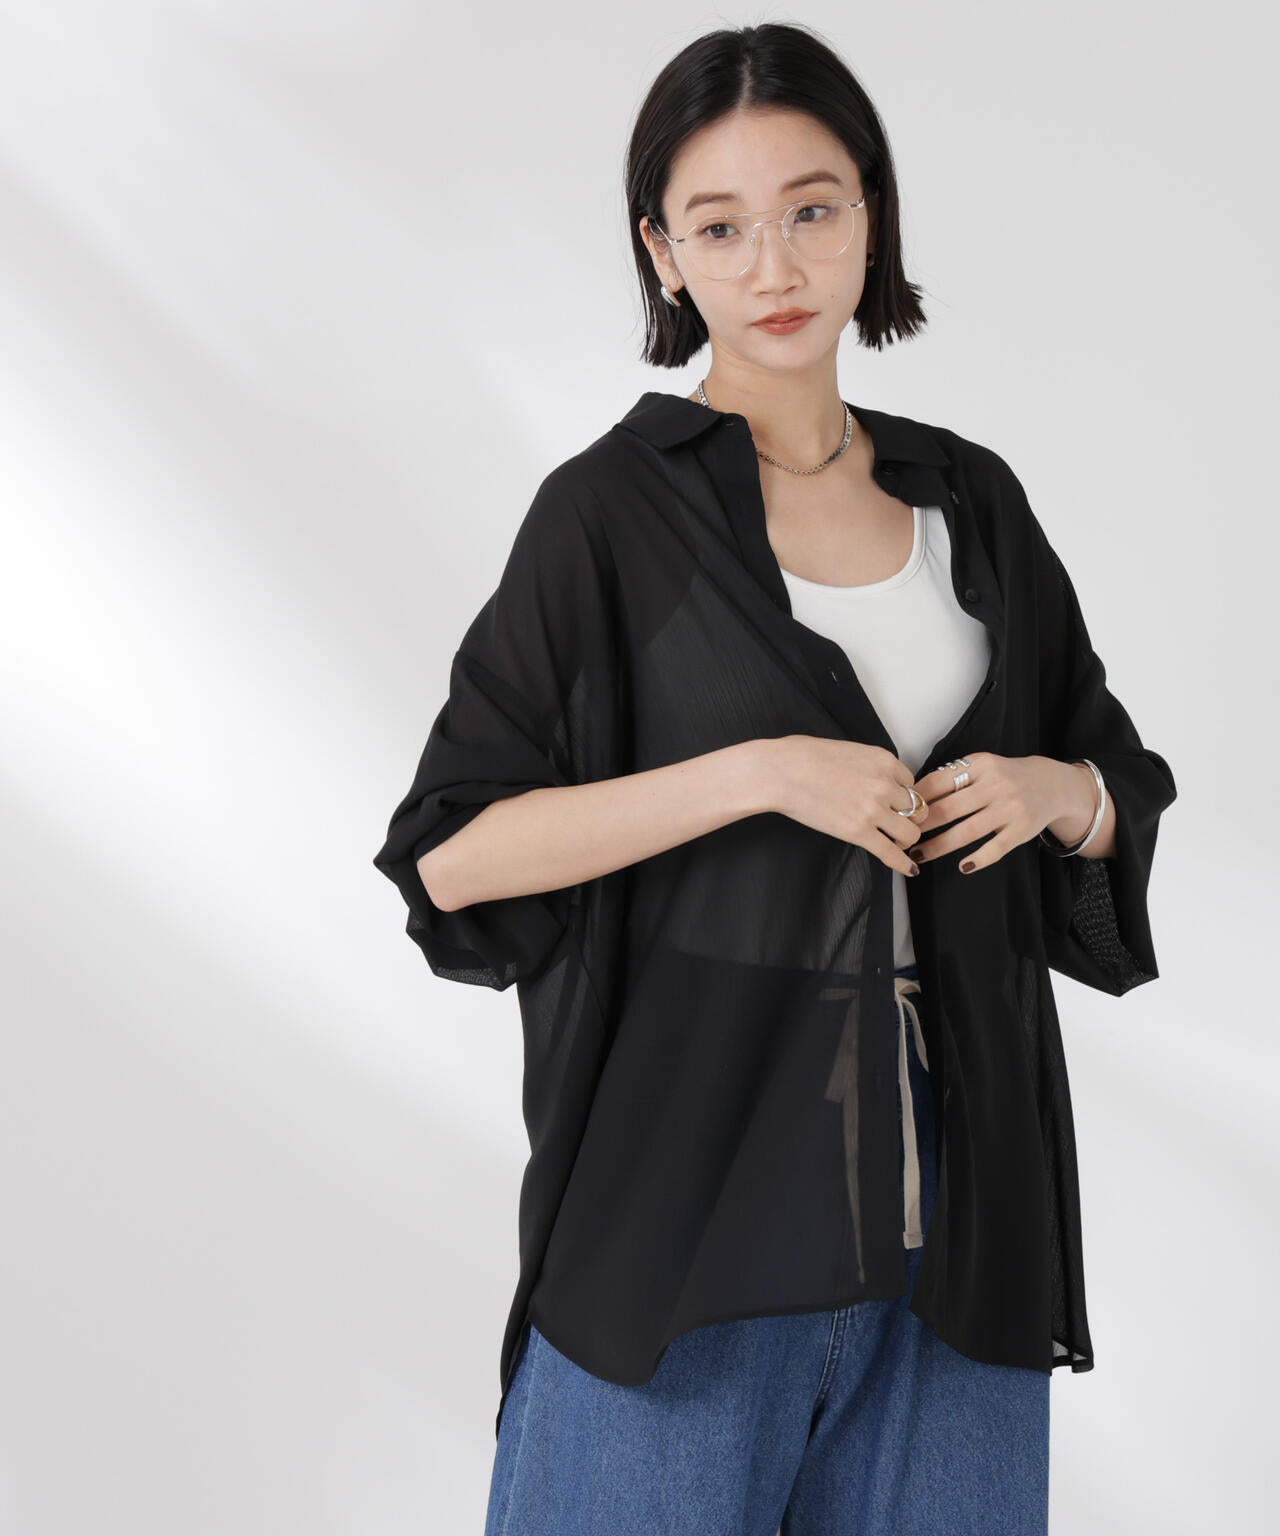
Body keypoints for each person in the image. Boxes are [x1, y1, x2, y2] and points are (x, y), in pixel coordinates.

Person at [372, 21, 1176, 1536]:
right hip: (696, 1209)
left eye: (811, 209)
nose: (775, 265)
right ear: (662, 255)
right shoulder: (610, 519)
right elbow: (452, 855)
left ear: (871, 213)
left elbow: (1112, 773)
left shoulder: (971, 501)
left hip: (966, 1226)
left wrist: (1060, 794)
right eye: (720, 227)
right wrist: (753, 773)